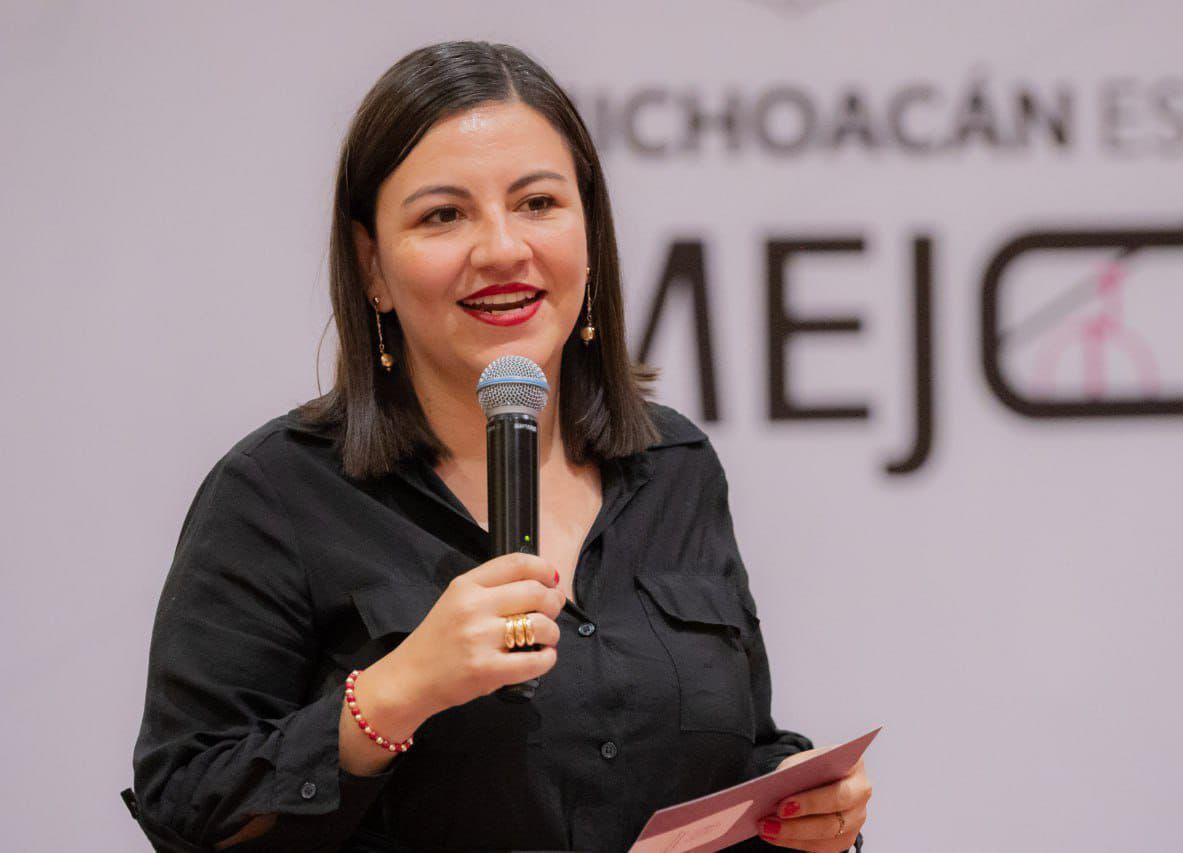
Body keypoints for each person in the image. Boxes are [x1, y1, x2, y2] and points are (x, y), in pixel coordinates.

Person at [126, 41, 872, 852]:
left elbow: (731, 750)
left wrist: (799, 800)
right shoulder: (276, 493)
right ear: (372, 265)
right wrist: (395, 694)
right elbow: (186, 808)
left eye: (537, 203)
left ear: (589, 231)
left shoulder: (674, 467)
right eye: (443, 215)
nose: (503, 249)